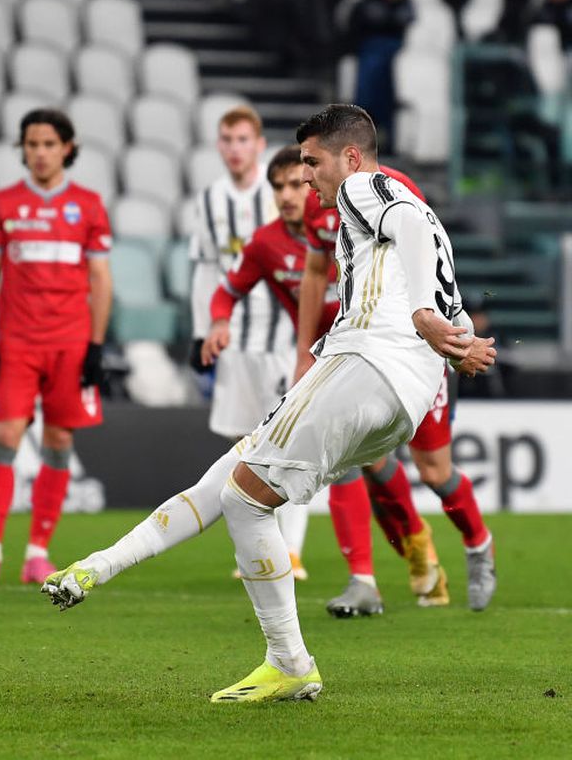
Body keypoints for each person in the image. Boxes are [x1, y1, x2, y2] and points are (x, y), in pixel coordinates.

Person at [43, 104, 496, 704]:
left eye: (311, 162)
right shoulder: (418, 222)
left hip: (366, 365)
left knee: (244, 498)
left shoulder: (364, 187)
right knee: (228, 479)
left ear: (350, 157)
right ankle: (98, 566)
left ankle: (290, 662)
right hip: (397, 394)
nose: (305, 177)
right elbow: (440, 285)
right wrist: (459, 343)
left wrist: (421, 316)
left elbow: (407, 227)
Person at [297, 170, 496, 614]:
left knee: (435, 473)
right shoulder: (319, 205)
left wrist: (457, 334)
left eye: (310, 166)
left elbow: (434, 260)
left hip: (419, 353)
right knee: (349, 455)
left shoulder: (393, 188)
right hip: (367, 353)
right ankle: (366, 578)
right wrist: (302, 352)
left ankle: (478, 542)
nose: (306, 182)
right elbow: (315, 273)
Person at [0, 108, 113, 586]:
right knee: (6, 434)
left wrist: (96, 345)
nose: (40, 153)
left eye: (49, 144)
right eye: (32, 144)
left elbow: (100, 278)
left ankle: (37, 552)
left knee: (59, 441)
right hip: (17, 343)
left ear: (67, 148)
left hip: (70, 343)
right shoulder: (3, 203)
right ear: (22, 149)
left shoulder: (88, 205)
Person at [186, 107, 308, 576]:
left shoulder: (285, 190)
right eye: (227, 139)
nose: (234, 149)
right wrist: (203, 330)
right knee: (244, 449)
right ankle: (261, 549)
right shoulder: (210, 200)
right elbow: (206, 270)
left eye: (242, 139)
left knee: (290, 445)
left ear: (258, 144)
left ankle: (290, 550)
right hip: (235, 343)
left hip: (283, 341)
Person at [346, 0, 413, 147]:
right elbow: (353, 32)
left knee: (392, 99)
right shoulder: (367, 5)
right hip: (372, 61)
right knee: (368, 95)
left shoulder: (407, 8)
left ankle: (391, 139)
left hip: (400, 63)